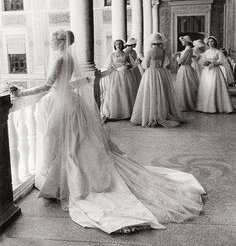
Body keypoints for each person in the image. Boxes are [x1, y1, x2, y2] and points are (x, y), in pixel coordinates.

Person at [11, 29, 206, 234]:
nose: (50, 44)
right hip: (70, 101)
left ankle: (65, 182)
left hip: (62, 104)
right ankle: (61, 181)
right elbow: (62, 83)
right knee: (75, 143)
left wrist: (22, 92)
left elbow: (47, 85)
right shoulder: (67, 57)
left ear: (58, 42)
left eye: (51, 40)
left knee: (66, 143)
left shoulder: (60, 58)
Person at [131, 33, 182, 127]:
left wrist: (141, 58)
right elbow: (166, 63)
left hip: (151, 73)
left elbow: (145, 65)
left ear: (152, 41)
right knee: (160, 92)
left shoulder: (150, 51)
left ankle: (151, 116)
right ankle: (160, 114)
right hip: (161, 72)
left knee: (150, 92)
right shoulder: (162, 51)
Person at [102, 39, 138, 120]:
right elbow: (108, 66)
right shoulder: (112, 54)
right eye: (117, 44)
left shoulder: (126, 54)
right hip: (116, 75)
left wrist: (126, 66)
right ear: (115, 46)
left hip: (126, 75)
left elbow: (132, 65)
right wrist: (116, 68)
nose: (119, 45)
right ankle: (116, 112)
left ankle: (127, 112)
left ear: (123, 45)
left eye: (120, 44)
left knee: (126, 91)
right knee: (116, 92)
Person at [197, 36, 233, 113]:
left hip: (215, 71)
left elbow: (222, 62)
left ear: (215, 43)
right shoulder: (206, 52)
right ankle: (205, 107)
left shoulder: (218, 52)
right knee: (207, 87)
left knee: (214, 87)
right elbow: (201, 61)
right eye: (209, 42)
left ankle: (215, 107)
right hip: (206, 72)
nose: (210, 43)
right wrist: (205, 63)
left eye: (212, 41)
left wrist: (212, 63)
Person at [174, 35, 198, 111]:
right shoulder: (187, 49)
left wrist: (177, 57)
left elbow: (180, 61)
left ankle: (186, 105)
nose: (182, 43)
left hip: (185, 68)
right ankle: (185, 103)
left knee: (185, 87)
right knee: (184, 87)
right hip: (186, 68)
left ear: (186, 42)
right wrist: (179, 53)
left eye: (182, 41)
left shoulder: (188, 49)